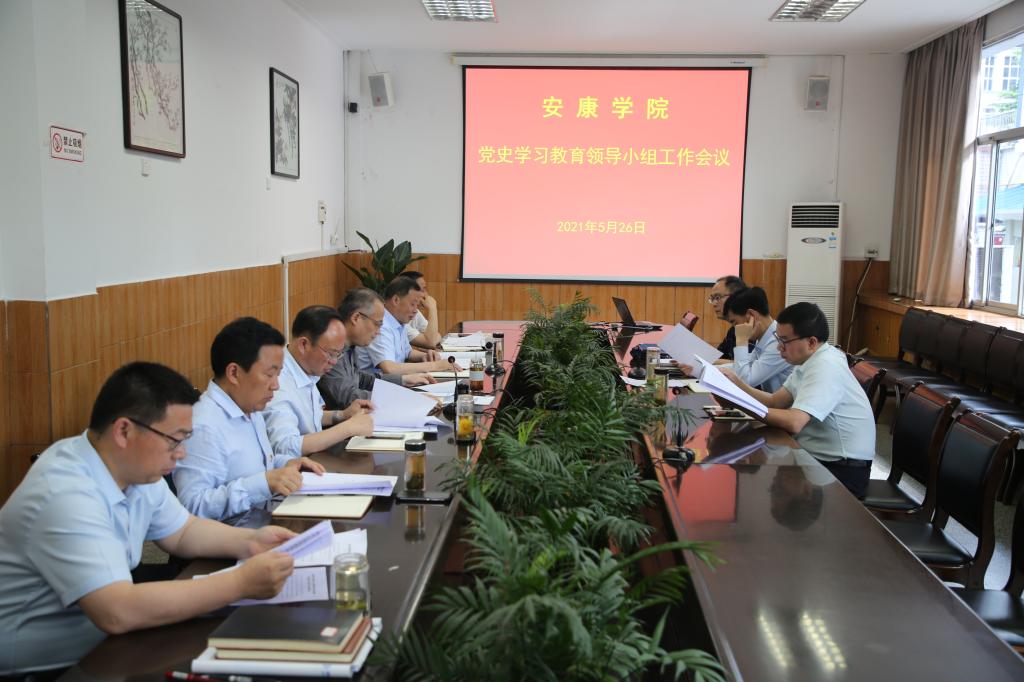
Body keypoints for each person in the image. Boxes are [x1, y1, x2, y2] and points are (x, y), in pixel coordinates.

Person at [0, 362, 296, 674]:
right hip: (39, 669)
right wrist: (239, 583)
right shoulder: (65, 494)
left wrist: (252, 541)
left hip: (105, 646)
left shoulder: (134, 467)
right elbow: (117, 610)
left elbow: (183, 532)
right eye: (175, 440)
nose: (181, 453)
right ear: (124, 431)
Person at [174, 317, 325, 521]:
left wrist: (288, 464)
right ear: (234, 373)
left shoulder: (249, 406)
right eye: (269, 375)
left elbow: (259, 465)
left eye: (279, 374)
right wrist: (263, 484)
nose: (276, 385)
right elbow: (193, 507)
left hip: (267, 520)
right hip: (234, 536)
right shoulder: (203, 426)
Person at [721, 302, 876, 499]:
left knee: (753, 478)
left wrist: (742, 403)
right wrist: (737, 385)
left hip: (842, 469)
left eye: (785, 341)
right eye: (778, 339)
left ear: (811, 342)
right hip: (818, 458)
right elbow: (775, 402)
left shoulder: (826, 366)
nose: (779, 347)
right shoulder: (808, 361)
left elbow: (794, 422)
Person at [263, 306, 375, 458]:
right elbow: (285, 447)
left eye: (338, 354)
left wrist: (342, 415)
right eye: (331, 354)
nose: (334, 362)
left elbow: (307, 415)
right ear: (304, 344)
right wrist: (347, 428)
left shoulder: (304, 368)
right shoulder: (278, 384)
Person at [318, 288, 435, 409]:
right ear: (356, 318)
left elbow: (361, 379)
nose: (378, 332)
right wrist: (403, 397)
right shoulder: (332, 349)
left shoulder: (350, 347)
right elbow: (348, 397)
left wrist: (402, 380)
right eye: (377, 324)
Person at [358, 277, 459, 376]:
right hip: (372, 385)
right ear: (396, 300)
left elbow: (407, 352)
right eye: (412, 304)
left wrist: (426, 356)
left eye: (417, 306)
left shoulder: (398, 321)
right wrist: (435, 366)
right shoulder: (381, 325)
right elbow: (389, 369)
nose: (415, 311)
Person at [721, 286, 792, 393]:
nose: (735, 328)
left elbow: (744, 382)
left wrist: (741, 340)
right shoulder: (765, 336)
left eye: (735, 322)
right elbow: (747, 365)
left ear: (751, 315)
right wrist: (709, 368)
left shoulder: (778, 342)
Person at [397, 270, 442, 349]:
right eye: (422, 290)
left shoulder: (415, 311)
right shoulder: (398, 318)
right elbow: (431, 342)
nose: (426, 294)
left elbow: (436, 336)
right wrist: (432, 308)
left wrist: (431, 339)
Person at [708, 275, 747, 360]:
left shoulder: (751, 330)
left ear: (736, 297)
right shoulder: (732, 331)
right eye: (712, 299)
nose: (714, 304)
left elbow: (747, 365)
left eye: (717, 297)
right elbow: (717, 358)